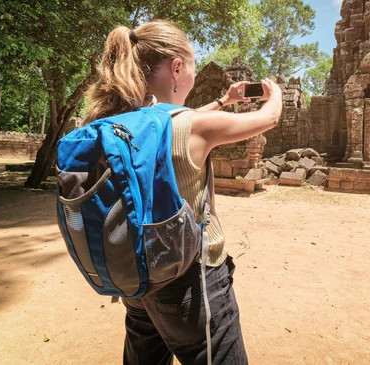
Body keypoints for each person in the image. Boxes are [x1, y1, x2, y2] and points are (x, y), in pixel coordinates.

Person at [83, 20, 283, 365]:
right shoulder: (191, 127)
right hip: (191, 282)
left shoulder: (118, 122)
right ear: (177, 68)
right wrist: (274, 92)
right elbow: (269, 119)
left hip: (137, 276)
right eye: (190, 66)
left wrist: (223, 100)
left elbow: (178, 120)